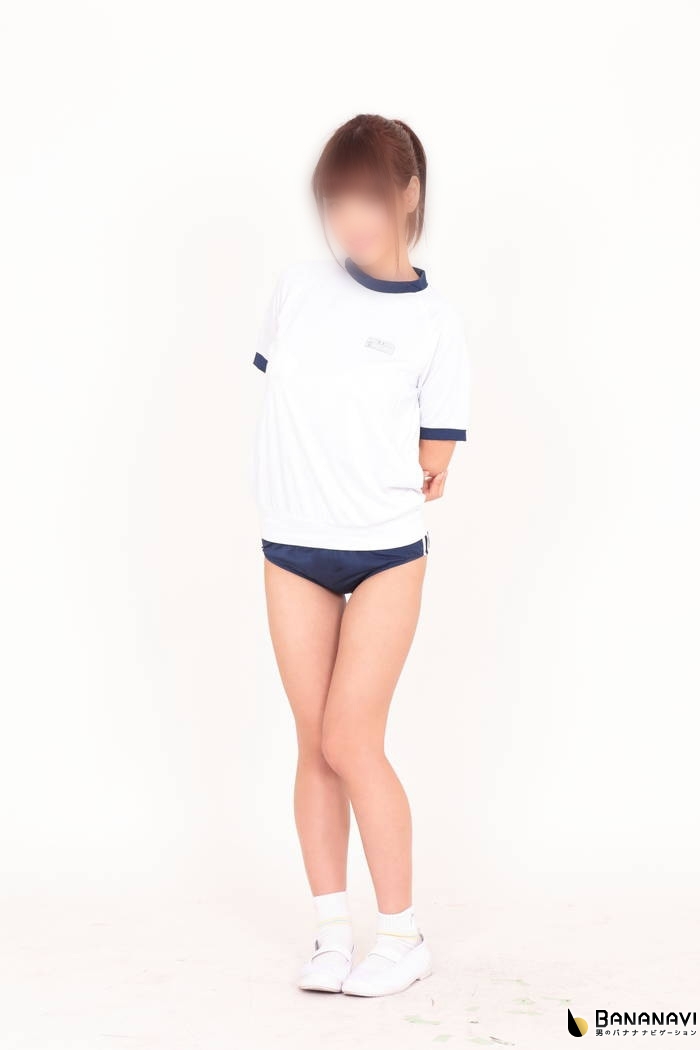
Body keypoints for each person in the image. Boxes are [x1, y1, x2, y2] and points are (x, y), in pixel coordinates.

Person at [252, 114, 469, 997]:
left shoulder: (435, 323)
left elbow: (433, 463)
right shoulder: (297, 289)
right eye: (335, 200)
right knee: (313, 743)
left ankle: (404, 935)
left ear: (409, 195)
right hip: (290, 546)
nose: (350, 218)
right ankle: (332, 935)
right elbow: (296, 403)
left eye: (369, 198)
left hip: (383, 554)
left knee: (351, 738)